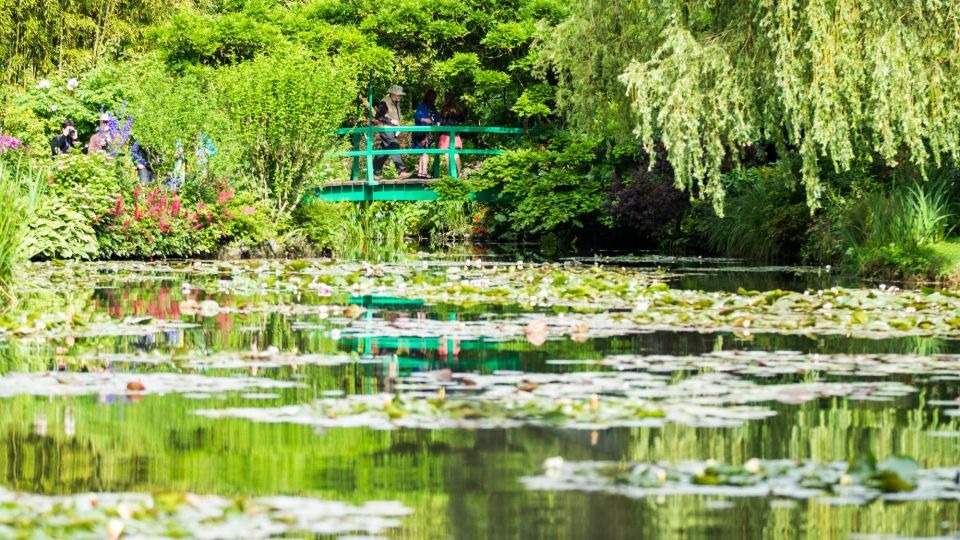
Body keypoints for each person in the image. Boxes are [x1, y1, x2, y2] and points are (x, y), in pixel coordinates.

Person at [372, 84, 411, 179]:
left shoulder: (395, 102)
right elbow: (378, 116)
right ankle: (401, 171)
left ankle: (374, 172)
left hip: (392, 130)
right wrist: (391, 121)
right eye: (399, 94)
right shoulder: (385, 102)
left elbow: (396, 116)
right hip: (385, 129)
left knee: (384, 150)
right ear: (393, 94)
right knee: (394, 145)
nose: (400, 96)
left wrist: (397, 127)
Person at [412, 89, 439, 178]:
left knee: (423, 151)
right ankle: (424, 172)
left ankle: (421, 172)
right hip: (422, 132)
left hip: (426, 132)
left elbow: (437, 118)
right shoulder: (422, 106)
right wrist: (425, 120)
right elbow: (417, 117)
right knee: (425, 151)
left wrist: (437, 123)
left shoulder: (432, 107)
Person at [439, 93, 465, 175]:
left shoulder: (444, 109)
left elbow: (442, 122)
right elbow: (462, 119)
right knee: (456, 153)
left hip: (446, 134)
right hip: (455, 134)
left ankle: (449, 174)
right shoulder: (457, 109)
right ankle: (459, 173)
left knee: (447, 154)